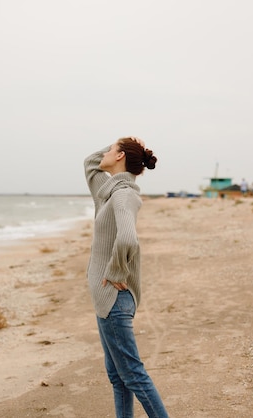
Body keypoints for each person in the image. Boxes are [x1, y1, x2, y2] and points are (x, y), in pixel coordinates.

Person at [84, 137, 169, 418]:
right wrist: (120, 143)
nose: (104, 152)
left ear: (119, 156)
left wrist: (116, 270)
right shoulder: (109, 191)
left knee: (133, 376)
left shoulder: (123, 195)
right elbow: (90, 164)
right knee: (119, 378)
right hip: (107, 301)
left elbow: (129, 238)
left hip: (114, 299)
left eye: (111, 149)